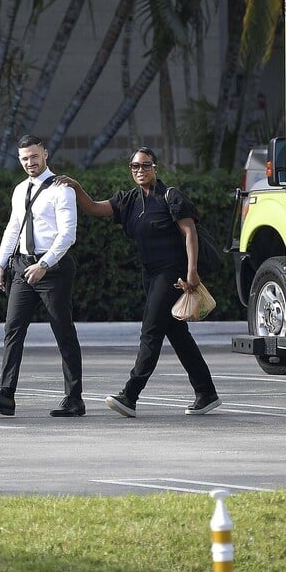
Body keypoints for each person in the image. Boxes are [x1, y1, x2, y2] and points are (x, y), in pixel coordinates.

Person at [55, 147, 221, 417]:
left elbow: (189, 233)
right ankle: (207, 393)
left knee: (150, 332)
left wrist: (192, 273)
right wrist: (75, 187)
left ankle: (130, 395)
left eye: (145, 165)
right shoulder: (129, 200)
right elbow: (95, 208)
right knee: (178, 335)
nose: (140, 171)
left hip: (173, 273)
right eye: (134, 166)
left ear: (156, 167)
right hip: (151, 275)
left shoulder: (171, 196)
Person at [0, 134, 85, 417]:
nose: (30, 163)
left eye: (34, 156)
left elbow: (67, 235)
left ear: (45, 154)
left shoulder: (62, 189)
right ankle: (5, 394)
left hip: (53, 269)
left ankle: (74, 399)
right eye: (24, 159)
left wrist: (44, 264)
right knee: (13, 329)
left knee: (62, 330)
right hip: (21, 266)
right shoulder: (20, 189)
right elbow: (13, 228)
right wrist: (0, 264)